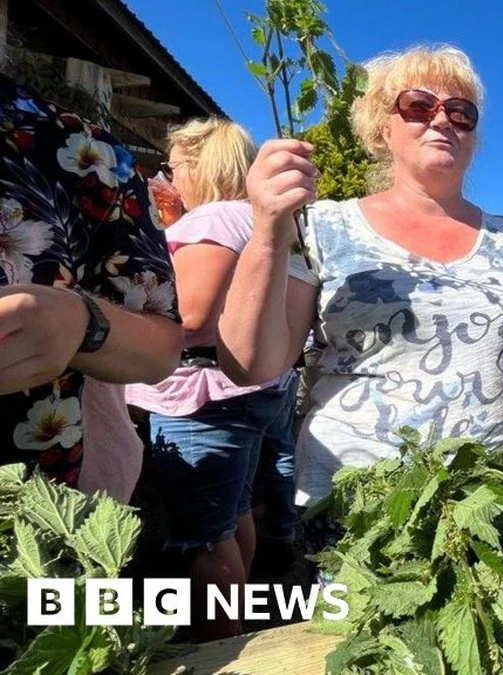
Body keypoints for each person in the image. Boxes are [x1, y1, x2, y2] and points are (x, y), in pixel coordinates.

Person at [217, 46, 503, 531]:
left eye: (461, 112)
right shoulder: (325, 227)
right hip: (359, 508)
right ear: (383, 128)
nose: (442, 120)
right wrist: (266, 229)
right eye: (419, 106)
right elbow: (250, 364)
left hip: (488, 501)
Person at [123, 118, 307, 639]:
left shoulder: (213, 220)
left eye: (175, 166)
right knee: (232, 513)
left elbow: (192, 315)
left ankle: (220, 647)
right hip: (244, 389)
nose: (169, 176)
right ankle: (242, 620)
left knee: (204, 538)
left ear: (201, 166)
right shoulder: (252, 218)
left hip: (197, 398)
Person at [0, 75, 182, 485]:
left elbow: (167, 345)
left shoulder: (80, 153)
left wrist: (82, 321)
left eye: (181, 166)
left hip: (30, 501)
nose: (172, 177)